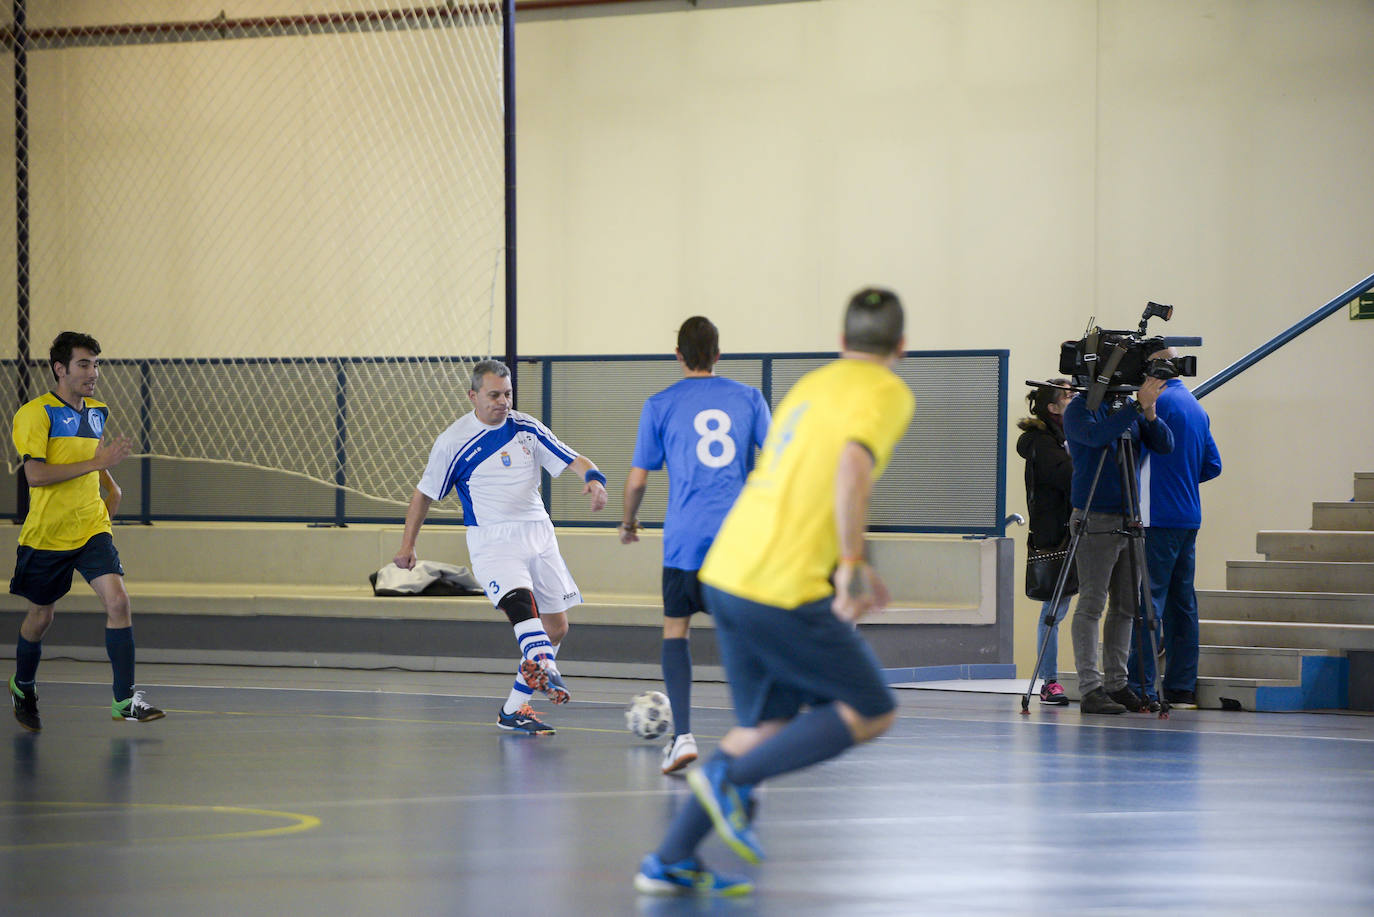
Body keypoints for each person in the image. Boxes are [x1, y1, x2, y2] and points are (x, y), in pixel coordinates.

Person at [634, 288, 915, 897]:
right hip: (782, 584)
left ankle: (669, 859)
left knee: (766, 722)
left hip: (729, 569)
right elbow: (850, 468)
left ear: (841, 344)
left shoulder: (813, 385)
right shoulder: (889, 392)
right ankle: (732, 781)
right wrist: (850, 563)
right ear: (901, 347)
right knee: (873, 709)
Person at [392, 359, 607, 736]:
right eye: (494, 395)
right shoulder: (453, 442)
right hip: (493, 539)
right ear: (473, 395)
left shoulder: (526, 428)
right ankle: (547, 668)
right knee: (520, 605)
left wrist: (592, 479)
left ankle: (512, 710)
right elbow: (424, 494)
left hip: (539, 535)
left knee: (556, 627)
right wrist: (408, 544)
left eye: (507, 394)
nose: (503, 402)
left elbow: (573, 458)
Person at [619, 316, 771, 775]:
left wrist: (628, 522)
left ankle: (682, 736)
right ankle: (751, 735)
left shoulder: (660, 404)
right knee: (741, 635)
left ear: (678, 355)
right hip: (737, 541)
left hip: (685, 540)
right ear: (719, 354)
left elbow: (638, 479)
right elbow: (784, 459)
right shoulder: (749, 398)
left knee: (675, 630)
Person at [10, 331, 164, 732]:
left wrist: (110, 482)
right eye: (84, 364)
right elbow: (36, 475)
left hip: (91, 525)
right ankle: (22, 685)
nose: (93, 372)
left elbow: (90, 458)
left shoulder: (97, 411)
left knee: (118, 602)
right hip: (47, 532)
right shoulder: (35, 414)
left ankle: (124, 700)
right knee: (40, 617)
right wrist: (99, 465)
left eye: (96, 363)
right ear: (60, 369)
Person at [1063, 375, 1174, 715]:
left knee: (1127, 606)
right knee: (1092, 604)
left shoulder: (1129, 411)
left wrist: (1149, 412)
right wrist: (1134, 408)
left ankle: (1116, 682)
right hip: (1095, 516)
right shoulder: (1081, 409)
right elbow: (1097, 437)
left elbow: (1165, 444)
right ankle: (1091, 687)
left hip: (1130, 516)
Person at [1126, 356, 1222, 709]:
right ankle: (1182, 687)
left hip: (1156, 515)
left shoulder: (1155, 403)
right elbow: (1213, 465)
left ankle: (1141, 686)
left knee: (1148, 602)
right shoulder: (1195, 405)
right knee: (1182, 604)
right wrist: (1180, 481)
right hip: (1187, 514)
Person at [1016, 380, 1075, 705]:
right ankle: (1049, 680)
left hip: (1075, 527)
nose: (1076, 399)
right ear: (1053, 408)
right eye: (1069, 397)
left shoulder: (1064, 437)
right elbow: (1068, 476)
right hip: (1056, 536)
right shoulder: (1042, 443)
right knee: (1054, 607)